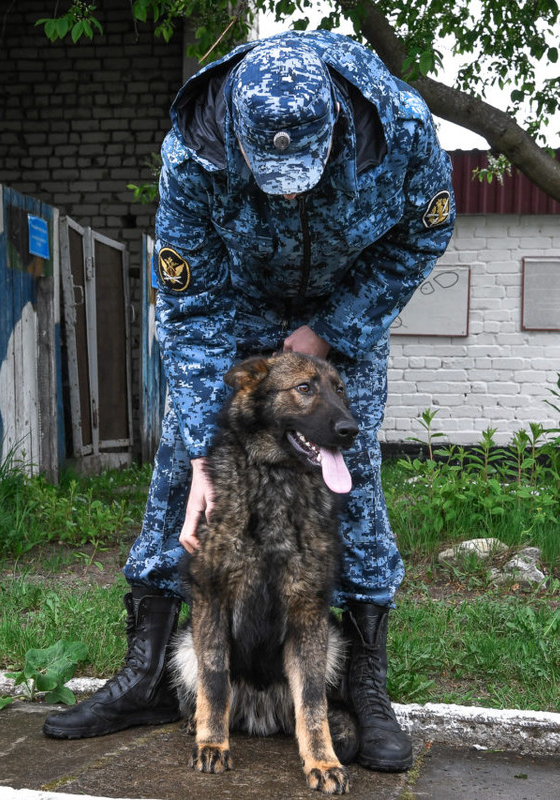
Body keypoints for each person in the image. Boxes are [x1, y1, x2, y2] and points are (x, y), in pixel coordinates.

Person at [43, 28, 455, 772]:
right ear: (233, 133)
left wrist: (330, 331)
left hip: (344, 312)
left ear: (339, 123)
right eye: (272, 176)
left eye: (306, 173)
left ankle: (363, 686)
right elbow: (191, 305)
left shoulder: (399, 128)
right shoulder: (191, 155)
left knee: (351, 477)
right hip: (233, 310)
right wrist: (202, 452)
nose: (289, 191)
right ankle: (147, 674)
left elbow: (423, 236)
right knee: (180, 476)